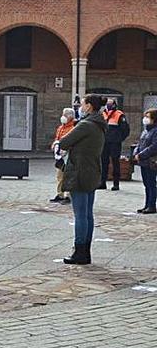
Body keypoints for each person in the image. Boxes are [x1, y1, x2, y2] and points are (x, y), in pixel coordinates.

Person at [59, 94, 107, 265]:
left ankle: (80, 251)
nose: (80, 106)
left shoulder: (86, 124)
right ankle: (85, 251)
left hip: (79, 171)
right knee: (87, 214)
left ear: (88, 107)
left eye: (83, 103)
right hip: (93, 170)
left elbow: (64, 142)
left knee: (80, 214)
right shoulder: (100, 123)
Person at [99, 98, 130, 191]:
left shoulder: (119, 114)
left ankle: (116, 184)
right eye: (107, 103)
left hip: (115, 143)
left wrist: (119, 139)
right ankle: (102, 182)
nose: (108, 105)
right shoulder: (102, 114)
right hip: (104, 142)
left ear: (114, 105)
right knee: (103, 162)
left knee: (115, 162)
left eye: (110, 103)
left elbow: (125, 130)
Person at [50, 108, 77, 204]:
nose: (63, 117)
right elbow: (57, 138)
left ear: (70, 117)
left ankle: (68, 195)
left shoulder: (73, 128)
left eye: (65, 115)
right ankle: (60, 194)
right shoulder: (61, 127)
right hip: (59, 155)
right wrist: (54, 144)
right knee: (59, 175)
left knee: (68, 175)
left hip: (68, 155)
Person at [133, 108, 157, 214]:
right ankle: (147, 205)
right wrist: (136, 152)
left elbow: (154, 146)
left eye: (148, 117)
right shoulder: (146, 130)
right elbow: (140, 143)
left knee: (151, 184)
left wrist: (141, 155)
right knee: (146, 184)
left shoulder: (155, 131)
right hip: (143, 161)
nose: (145, 119)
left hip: (151, 161)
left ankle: (152, 205)